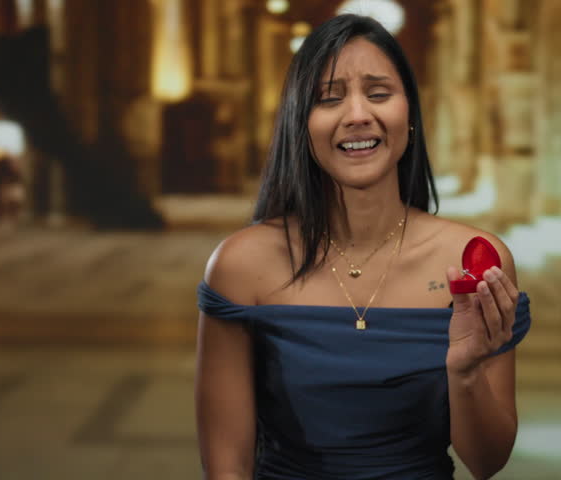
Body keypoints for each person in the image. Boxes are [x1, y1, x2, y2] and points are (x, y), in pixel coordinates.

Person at [196, 14, 531, 480]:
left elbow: (487, 461)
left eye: (378, 93)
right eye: (329, 98)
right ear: (301, 124)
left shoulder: (473, 260)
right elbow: (227, 466)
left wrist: (467, 371)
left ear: (409, 116)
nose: (357, 115)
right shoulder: (240, 266)